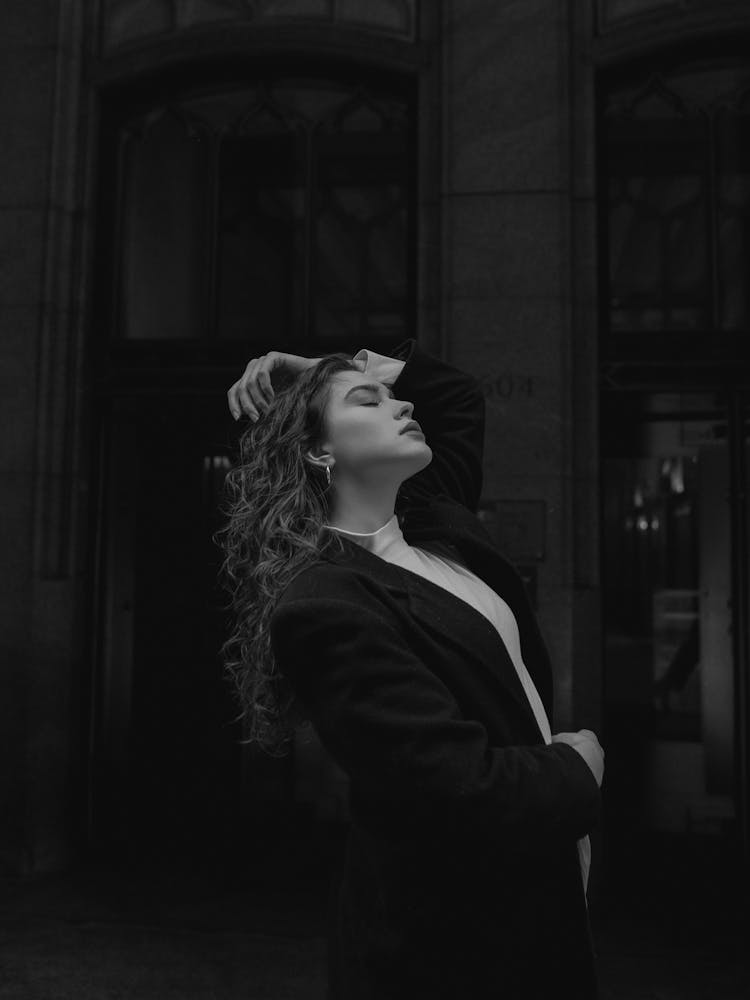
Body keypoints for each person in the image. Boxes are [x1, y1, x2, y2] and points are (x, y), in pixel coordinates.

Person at [220, 338, 604, 1000]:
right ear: (319, 450)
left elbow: (456, 396)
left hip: (530, 879)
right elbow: (455, 789)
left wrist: (321, 370)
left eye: (394, 396)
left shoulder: (433, 522)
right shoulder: (324, 602)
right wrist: (580, 766)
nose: (399, 404)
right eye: (369, 400)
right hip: (450, 945)